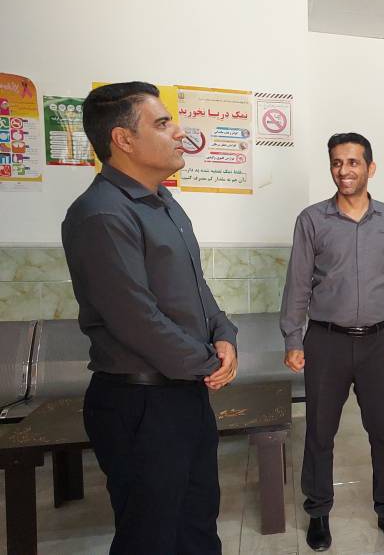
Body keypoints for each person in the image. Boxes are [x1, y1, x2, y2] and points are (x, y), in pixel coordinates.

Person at [62, 81, 238, 554]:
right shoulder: (101, 214)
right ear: (123, 139)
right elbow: (135, 319)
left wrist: (224, 335)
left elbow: (196, 288)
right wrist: (209, 363)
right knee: (151, 536)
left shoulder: (165, 204)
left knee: (197, 523)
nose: (179, 132)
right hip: (140, 404)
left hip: (184, 394)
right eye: (162, 123)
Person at [280, 132, 384, 551]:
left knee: (383, 431)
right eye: (337, 162)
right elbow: (298, 284)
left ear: (370, 168)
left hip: (377, 341)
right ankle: (318, 511)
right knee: (320, 432)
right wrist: (293, 338)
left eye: (353, 162)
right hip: (326, 341)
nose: (344, 170)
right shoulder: (312, 220)